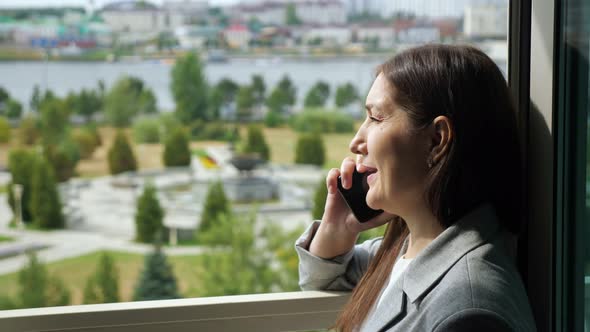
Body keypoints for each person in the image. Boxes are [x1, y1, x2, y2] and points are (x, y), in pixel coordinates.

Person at [295, 44, 537, 332]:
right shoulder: (407, 250)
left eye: (375, 118)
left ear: (437, 140)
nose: (356, 143)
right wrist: (341, 228)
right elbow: (323, 279)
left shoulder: (469, 310)